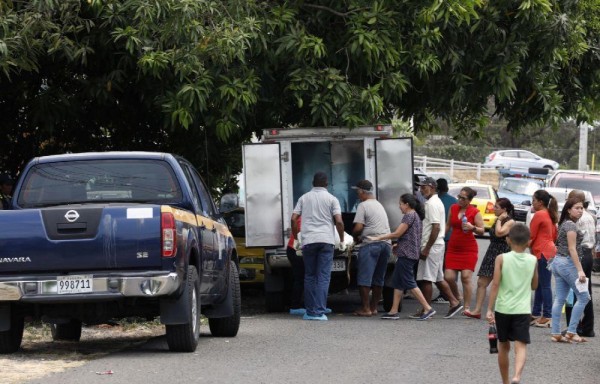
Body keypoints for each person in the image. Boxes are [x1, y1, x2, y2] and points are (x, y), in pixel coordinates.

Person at [368, 194, 435, 320]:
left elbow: (398, 233)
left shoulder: (409, 216)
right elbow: (410, 235)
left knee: (409, 282)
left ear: (407, 204)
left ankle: (428, 308)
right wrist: (398, 244)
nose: (399, 207)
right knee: (398, 282)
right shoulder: (416, 216)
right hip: (409, 252)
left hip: (406, 254)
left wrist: (378, 237)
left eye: (400, 204)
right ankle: (393, 311)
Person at [486, 223, 538, 384]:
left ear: (508, 240)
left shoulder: (501, 258)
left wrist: (489, 309)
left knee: (503, 346)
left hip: (503, 308)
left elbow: (495, 284)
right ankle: (517, 376)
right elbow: (534, 285)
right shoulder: (533, 259)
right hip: (522, 309)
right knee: (521, 345)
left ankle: (506, 381)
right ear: (529, 242)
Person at [291, 172, 345, 321]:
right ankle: (320, 310)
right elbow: (339, 222)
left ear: (312, 183)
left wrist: (296, 239)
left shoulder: (304, 198)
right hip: (326, 241)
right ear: (327, 184)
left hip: (308, 240)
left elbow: (294, 219)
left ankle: (310, 311)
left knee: (309, 276)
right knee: (323, 277)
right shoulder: (332, 199)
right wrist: (341, 240)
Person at [414, 177, 463, 319]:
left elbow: (436, 227)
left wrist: (427, 248)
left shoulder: (432, 203)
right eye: (420, 187)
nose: (421, 190)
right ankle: (453, 302)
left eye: (424, 187)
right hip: (436, 245)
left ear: (432, 187)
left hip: (433, 245)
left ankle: (427, 309)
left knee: (426, 278)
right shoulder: (433, 202)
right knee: (437, 277)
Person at [466, 198, 516, 319]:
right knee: (481, 282)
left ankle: (500, 311)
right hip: (492, 251)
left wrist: (499, 220)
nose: (494, 209)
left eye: (497, 207)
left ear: (504, 210)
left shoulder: (510, 221)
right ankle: (477, 310)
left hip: (503, 253)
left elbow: (499, 233)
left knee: (501, 284)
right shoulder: (497, 219)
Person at [550, 198, 591, 343]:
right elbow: (572, 249)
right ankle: (572, 331)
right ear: (568, 209)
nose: (580, 210)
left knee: (560, 299)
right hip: (567, 263)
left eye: (581, 208)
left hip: (558, 262)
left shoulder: (565, 223)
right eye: (577, 208)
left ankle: (556, 332)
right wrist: (580, 270)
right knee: (584, 297)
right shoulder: (571, 225)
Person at [351, 179, 392, 317]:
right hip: (386, 244)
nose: (357, 195)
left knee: (364, 278)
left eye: (358, 192)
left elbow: (358, 227)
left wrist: (353, 236)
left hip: (371, 244)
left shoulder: (363, 206)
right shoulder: (379, 205)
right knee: (378, 278)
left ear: (362, 192)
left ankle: (366, 308)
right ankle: (374, 308)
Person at [444, 186, 485, 314]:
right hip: (453, 247)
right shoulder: (453, 208)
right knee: (448, 277)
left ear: (470, 200)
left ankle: (467, 307)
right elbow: (448, 225)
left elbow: (482, 230)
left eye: (463, 198)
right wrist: (441, 237)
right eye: (459, 197)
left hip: (468, 248)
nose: (460, 200)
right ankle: (458, 297)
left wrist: (473, 227)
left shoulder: (474, 212)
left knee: (466, 277)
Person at [563, 190, 595, 337]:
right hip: (589, 253)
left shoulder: (577, 218)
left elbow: (572, 242)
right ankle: (588, 326)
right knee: (586, 291)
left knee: (575, 292)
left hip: (579, 254)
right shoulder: (591, 217)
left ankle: (573, 327)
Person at [529, 190, 558, 328]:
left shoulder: (539, 214)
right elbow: (554, 235)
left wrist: (517, 248)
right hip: (549, 251)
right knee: (541, 284)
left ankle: (547, 316)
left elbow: (531, 235)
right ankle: (536, 313)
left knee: (544, 284)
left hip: (542, 252)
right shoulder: (549, 214)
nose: (532, 202)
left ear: (540, 202)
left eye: (533, 200)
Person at [432, 178, 458, 303]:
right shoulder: (454, 201)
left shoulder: (436, 201)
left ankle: (445, 294)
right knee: (452, 267)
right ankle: (454, 292)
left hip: (440, 237)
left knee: (441, 268)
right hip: (453, 238)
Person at [287, 216, 305, 315]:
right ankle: (295, 306)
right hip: (295, 250)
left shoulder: (304, 217)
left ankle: (298, 305)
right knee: (300, 278)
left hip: (296, 249)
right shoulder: (303, 219)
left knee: (302, 278)